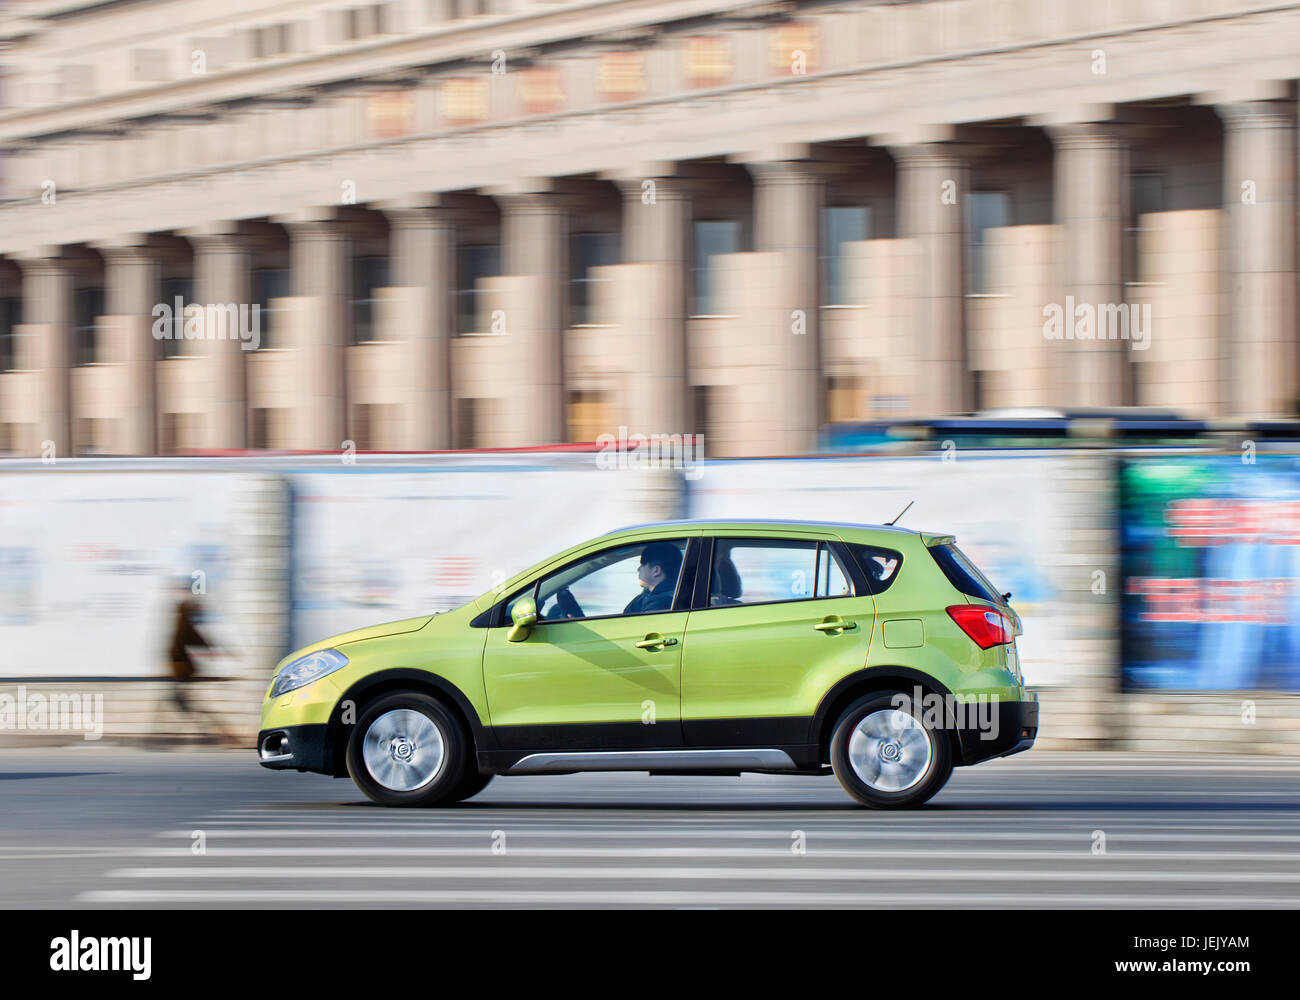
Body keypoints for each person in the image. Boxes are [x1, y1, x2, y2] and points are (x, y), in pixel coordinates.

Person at [162, 582, 240, 745]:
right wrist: (216, 649)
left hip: (180, 670)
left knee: (189, 702)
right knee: (191, 703)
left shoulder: (180, 622)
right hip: (182, 669)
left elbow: (193, 638)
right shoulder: (183, 624)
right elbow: (195, 638)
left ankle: (215, 733)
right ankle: (219, 733)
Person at [624, 542, 683, 615]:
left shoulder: (657, 605)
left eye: (642, 565)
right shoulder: (652, 594)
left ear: (656, 570)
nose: (638, 569)